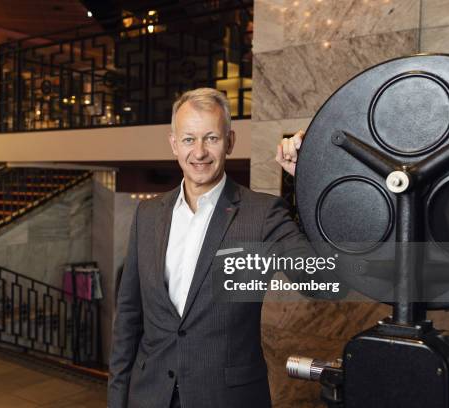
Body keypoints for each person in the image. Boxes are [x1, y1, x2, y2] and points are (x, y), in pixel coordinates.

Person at [108, 88, 320, 408]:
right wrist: (117, 400)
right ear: (174, 144)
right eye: (189, 139)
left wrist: (309, 183)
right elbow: (128, 317)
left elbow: (319, 281)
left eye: (212, 138)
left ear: (230, 141)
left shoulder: (261, 214)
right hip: (148, 396)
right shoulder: (148, 214)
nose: (200, 152)